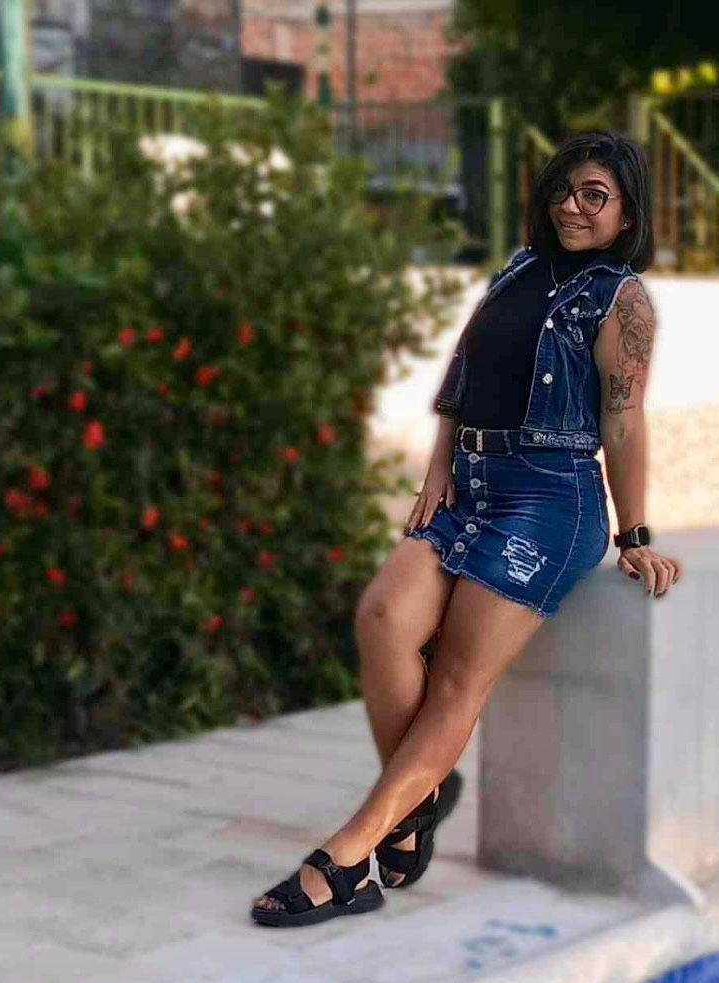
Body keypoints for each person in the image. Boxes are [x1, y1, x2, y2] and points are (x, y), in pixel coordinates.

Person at [251, 131, 683, 926]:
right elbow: (464, 372)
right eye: (563, 189)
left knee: (456, 675)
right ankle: (414, 808)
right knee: (382, 617)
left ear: (627, 215)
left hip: (551, 501)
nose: (571, 206)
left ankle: (348, 858)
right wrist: (438, 467)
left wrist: (635, 535)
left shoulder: (622, 299)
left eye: (594, 195)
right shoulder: (516, 271)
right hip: (469, 486)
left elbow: (622, 422)